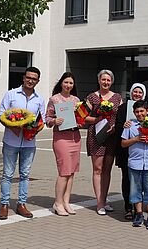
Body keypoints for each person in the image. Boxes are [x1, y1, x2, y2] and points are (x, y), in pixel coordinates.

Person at [0, 67, 45, 220]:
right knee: (7, 174)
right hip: (11, 140)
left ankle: (21, 204)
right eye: (28, 77)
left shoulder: (39, 99)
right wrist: (12, 127)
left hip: (29, 143)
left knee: (25, 175)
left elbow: (41, 120)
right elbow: (1, 114)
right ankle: (4, 204)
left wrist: (34, 130)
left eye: (34, 78)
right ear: (23, 78)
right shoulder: (11, 94)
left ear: (37, 81)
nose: (31, 80)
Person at [121, 100, 148, 230]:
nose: (139, 114)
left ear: (147, 111)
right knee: (135, 191)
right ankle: (138, 214)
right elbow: (123, 143)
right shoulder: (130, 126)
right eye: (137, 112)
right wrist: (136, 139)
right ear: (134, 113)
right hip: (135, 163)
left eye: (142, 111)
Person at [85, 70, 122, 215]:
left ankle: (104, 200)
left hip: (111, 136)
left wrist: (115, 126)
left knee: (107, 169)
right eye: (103, 80)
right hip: (96, 136)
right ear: (99, 80)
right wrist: (96, 120)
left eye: (108, 80)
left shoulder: (117, 98)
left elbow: (121, 115)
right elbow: (82, 116)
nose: (105, 82)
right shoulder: (92, 97)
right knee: (97, 169)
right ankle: (99, 203)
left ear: (111, 81)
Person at [45, 72, 81, 216]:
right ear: (61, 83)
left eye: (71, 83)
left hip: (75, 137)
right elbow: (47, 119)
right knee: (64, 171)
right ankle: (58, 202)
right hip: (61, 137)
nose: (68, 85)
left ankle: (66, 201)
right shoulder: (54, 99)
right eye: (66, 82)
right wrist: (54, 121)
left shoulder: (76, 100)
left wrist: (80, 121)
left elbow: (81, 117)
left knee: (72, 172)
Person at [114, 83, 146, 220]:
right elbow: (117, 128)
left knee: (142, 181)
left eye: (140, 92)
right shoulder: (122, 108)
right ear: (131, 93)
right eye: (135, 92)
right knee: (127, 179)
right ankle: (128, 206)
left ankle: (138, 207)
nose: (137, 94)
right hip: (126, 151)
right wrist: (124, 125)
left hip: (143, 152)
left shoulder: (146, 108)